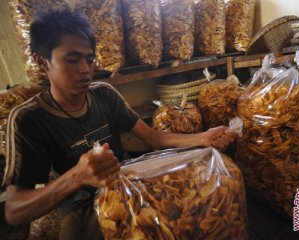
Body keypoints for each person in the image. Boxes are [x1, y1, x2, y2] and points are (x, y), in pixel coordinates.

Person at [2, 8, 235, 239]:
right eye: (72, 60)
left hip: (123, 187)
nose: (85, 70)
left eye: (90, 60)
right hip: (77, 208)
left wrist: (203, 138)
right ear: (43, 62)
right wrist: (77, 176)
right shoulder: (28, 119)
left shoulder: (104, 94)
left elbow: (152, 137)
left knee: (197, 209)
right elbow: (14, 211)